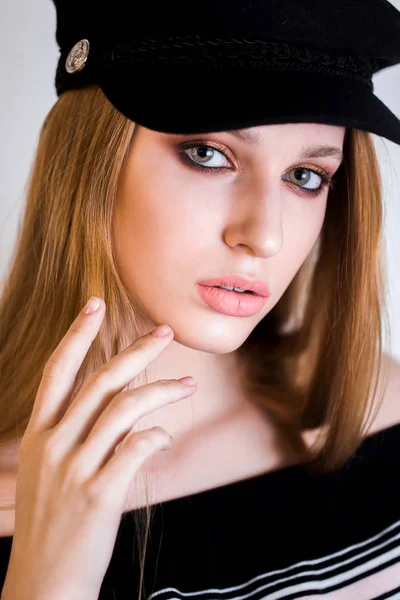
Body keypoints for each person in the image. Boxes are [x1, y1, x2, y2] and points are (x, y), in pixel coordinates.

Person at [0, 0, 400, 599]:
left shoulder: (377, 407)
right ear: (88, 162)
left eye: (305, 177)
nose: (265, 235)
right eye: (209, 155)